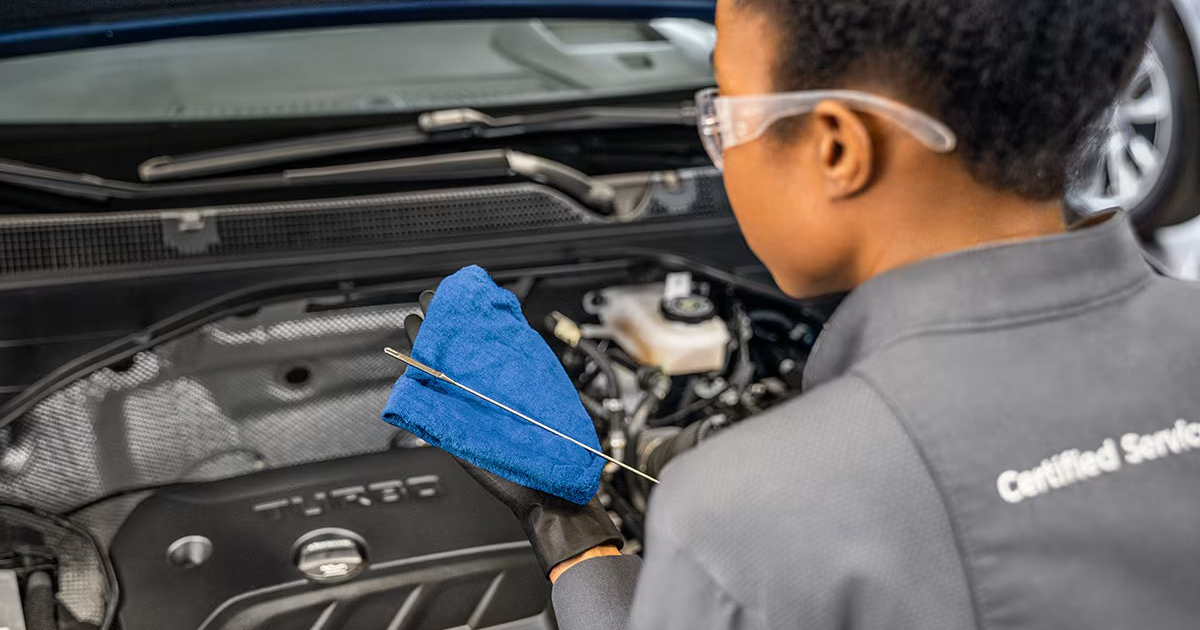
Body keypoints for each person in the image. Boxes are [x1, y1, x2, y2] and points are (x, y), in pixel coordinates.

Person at [405, 0, 1200, 627]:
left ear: (835, 149)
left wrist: (571, 534)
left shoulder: (746, 513)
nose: (715, 134)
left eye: (725, 109)